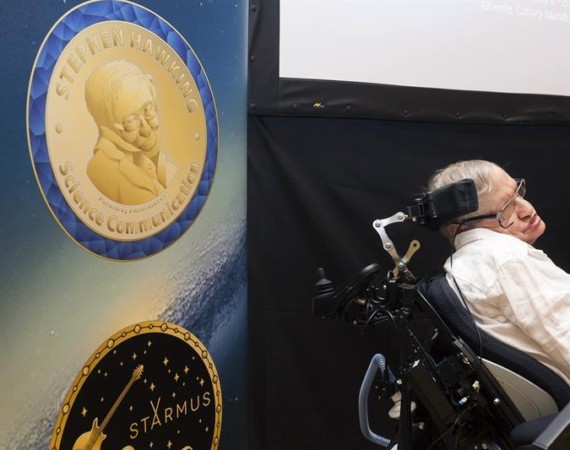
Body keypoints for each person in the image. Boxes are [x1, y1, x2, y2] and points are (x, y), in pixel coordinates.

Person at [428, 159, 570, 384]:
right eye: (505, 211)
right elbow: (565, 337)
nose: (526, 210)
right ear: (459, 229)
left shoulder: (462, 266)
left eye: (517, 193)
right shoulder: (506, 258)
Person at [85, 60, 176, 205]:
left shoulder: (144, 159)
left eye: (148, 109)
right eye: (130, 120)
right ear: (108, 129)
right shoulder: (107, 171)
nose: (146, 129)